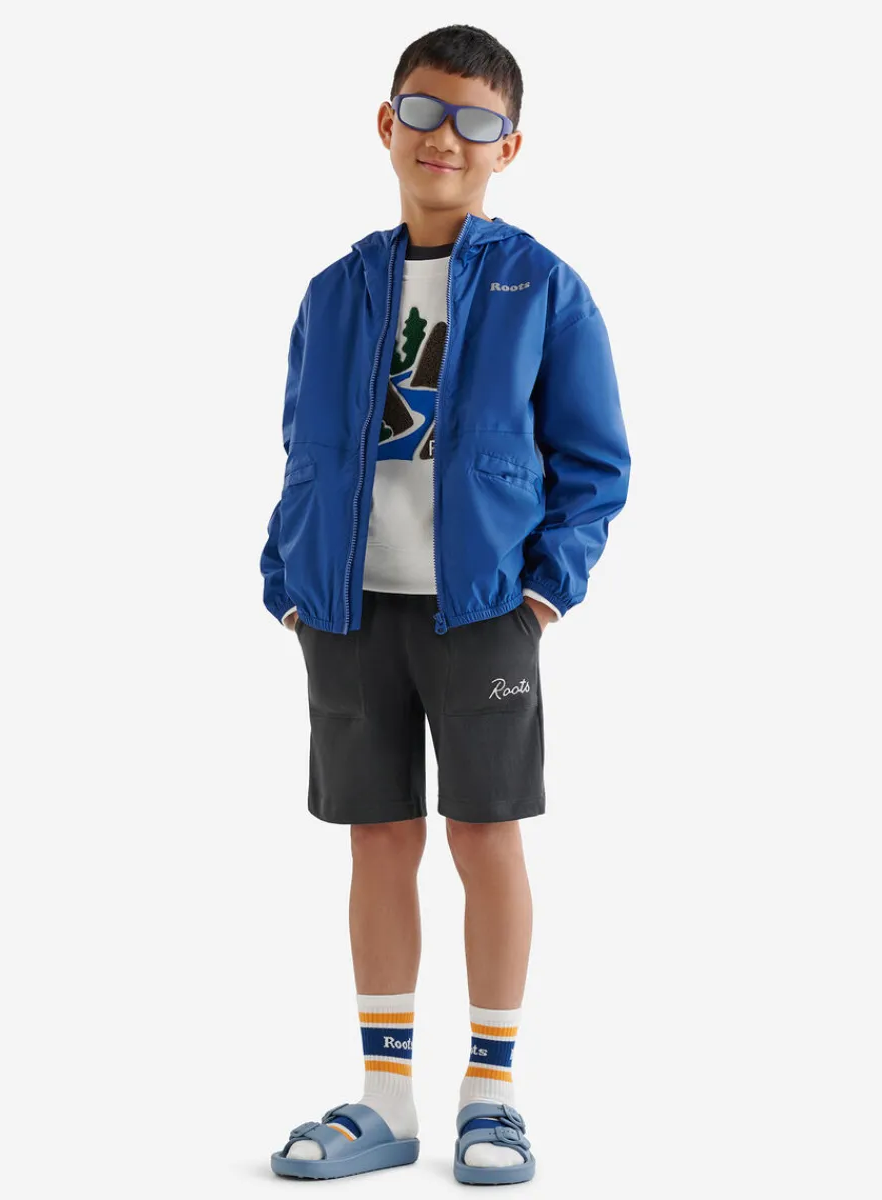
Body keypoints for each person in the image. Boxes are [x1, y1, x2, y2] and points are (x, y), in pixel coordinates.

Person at [261, 23, 630, 1185]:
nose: (445, 139)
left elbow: (595, 466)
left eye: (477, 122)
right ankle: (385, 1100)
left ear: (508, 146)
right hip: (348, 609)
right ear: (388, 123)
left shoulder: (543, 287)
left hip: (482, 613)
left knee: (484, 834)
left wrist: (543, 596)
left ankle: (492, 1094)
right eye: (424, 112)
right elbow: (302, 452)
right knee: (377, 838)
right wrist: (286, 581)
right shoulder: (337, 291)